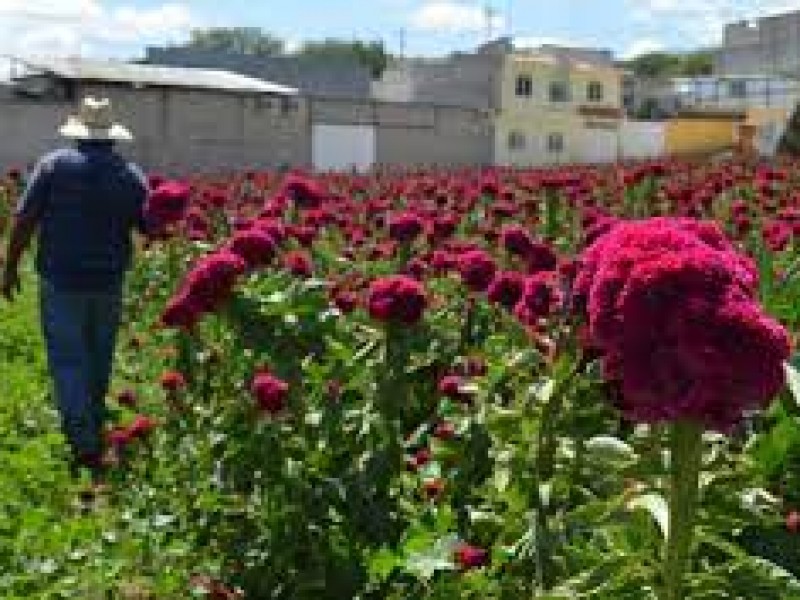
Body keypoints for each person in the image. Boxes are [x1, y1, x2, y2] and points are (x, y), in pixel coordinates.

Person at [1, 97, 149, 480]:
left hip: (61, 279)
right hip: (108, 281)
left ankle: (83, 443)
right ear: (111, 136)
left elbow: (24, 220)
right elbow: (148, 226)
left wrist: (10, 268)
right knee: (98, 356)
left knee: (68, 358)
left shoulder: (53, 166)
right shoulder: (130, 175)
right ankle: (92, 427)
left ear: (79, 133)